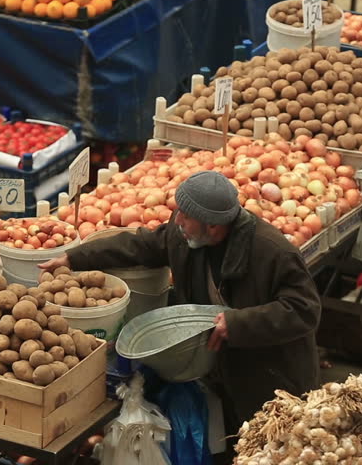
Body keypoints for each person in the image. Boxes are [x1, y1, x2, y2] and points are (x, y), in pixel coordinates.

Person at [39, 170, 322, 453]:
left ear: (212, 226)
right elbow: (140, 244)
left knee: (275, 452)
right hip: (224, 370)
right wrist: (75, 256)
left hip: (272, 379)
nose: (177, 221)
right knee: (232, 447)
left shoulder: (272, 251)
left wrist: (237, 323)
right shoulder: (185, 236)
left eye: (185, 216)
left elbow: (304, 309)